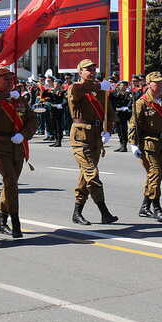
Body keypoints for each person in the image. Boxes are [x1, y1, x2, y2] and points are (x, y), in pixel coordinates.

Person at [0, 68, 38, 238]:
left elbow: (33, 120)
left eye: (11, 79)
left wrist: (24, 134)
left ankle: (1, 220)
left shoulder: (19, 100)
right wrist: (6, 95)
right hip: (0, 144)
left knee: (10, 184)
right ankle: (15, 221)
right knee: (11, 181)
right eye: (5, 79)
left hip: (17, 145)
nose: (9, 82)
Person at [67, 59, 117, 225]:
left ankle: (77, 213)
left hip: (96, 136)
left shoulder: (99, 89)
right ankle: (104, 211)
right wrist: (99, 85)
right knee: (92, 174)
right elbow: (78, 91)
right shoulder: (76, 88)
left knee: (85, 176)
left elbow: (109, 112)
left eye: (94, 69)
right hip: (81, 136)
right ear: (80, 72)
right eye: (88, 69)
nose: (92, 72)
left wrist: (108, 129)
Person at [129, 71, 162, 222]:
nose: (160, 85)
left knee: (155, 176)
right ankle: (157, 208)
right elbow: (134, 124)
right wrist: (133, 144)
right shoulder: (142, 102)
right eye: (157, 83)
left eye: (161, 82)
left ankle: (145, 206)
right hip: (148, 144)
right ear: (149, 84)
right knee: (155, 173)